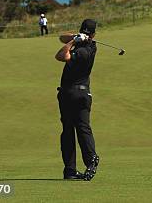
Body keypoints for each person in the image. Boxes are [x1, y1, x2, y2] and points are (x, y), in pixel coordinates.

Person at [55, 19, 100, 181]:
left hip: (76, 94)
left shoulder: (86, 50)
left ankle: (90, 160)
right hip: (70, 93)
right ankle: (71, 170)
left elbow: (60, 56)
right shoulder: (85, 43)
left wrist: (75, 41)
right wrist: (76, 37)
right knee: (71, 130)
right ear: (94, 33)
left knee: (80, 129)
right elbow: (61, 37)